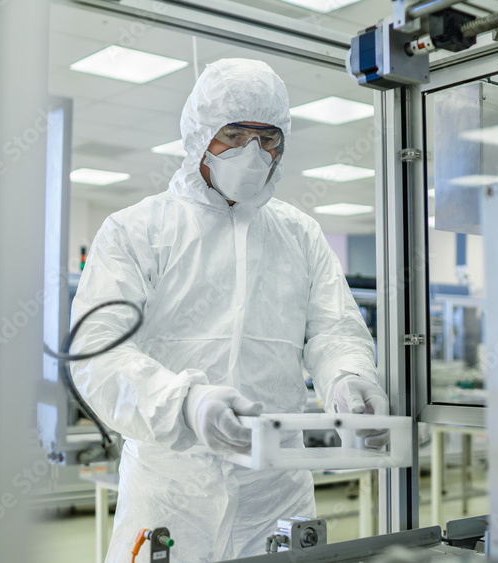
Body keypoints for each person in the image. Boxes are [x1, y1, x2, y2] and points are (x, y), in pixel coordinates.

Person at [70, 58, 388, 562]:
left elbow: (334, 330)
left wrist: (347, 378)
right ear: (199, 134)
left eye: (267, 138)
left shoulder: (298, 233)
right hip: (170, 495)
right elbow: (95, 352)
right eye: (234, 134)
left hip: (276, 495)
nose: (252, 153)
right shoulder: (136, 231)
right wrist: (185, 403)